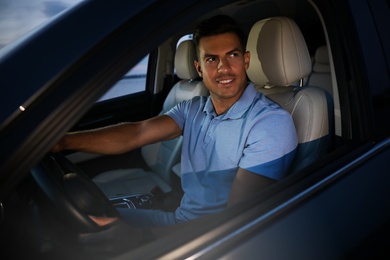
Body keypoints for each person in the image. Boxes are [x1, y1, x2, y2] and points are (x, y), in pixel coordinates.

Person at [53, 15, 298, 253]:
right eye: (212, 59)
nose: (224, 68)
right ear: (199, 68)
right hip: (180, 221)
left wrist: (141, 237)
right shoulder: (193, 108)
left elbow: (236, 220)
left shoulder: (270, 123)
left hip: (213, 241)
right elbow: (137, 133)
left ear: (246, 61)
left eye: (232, 55)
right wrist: (63, 141)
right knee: (73, 224)